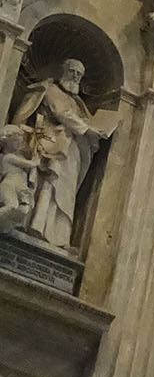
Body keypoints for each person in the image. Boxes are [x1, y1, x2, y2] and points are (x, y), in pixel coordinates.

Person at [7, 57, 102, 249]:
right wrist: (88, 130)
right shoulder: (50, 89)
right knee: (45, 185)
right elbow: (61, 112)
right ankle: (32, 224)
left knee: (65, 193)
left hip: (70, 155)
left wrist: (93, 132)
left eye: (79, 74)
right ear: (63, 71)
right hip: (48, 143)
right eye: (72, 71)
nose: (75, 77)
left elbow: (80, 120)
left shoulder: (78, 103)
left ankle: (57, 236)